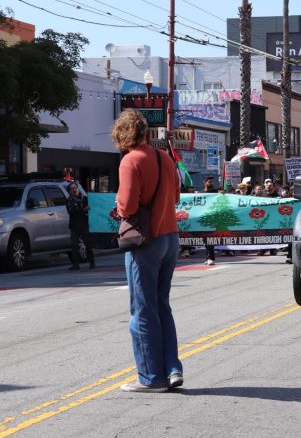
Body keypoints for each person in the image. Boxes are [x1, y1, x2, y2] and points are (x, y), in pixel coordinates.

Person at [111, 109, 182, 393]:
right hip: (170, 237)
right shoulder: (164, 157)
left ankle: (151, 378)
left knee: (142, 310)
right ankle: (172, 369)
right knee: (162, 306)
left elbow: (127, 206)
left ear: (123, 134)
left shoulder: (130, 161)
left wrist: (118, 207)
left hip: (146, 242)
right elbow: (176, 196)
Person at [65, 181, 96, 270]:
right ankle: (75, 264)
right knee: (74, 245)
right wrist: (83, 209)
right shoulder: (69, 201)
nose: (74, 190)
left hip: (84, 224)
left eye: (75, 188)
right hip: (74, 226)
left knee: (87, 244)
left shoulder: (85, 198)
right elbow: (71, 211)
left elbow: (92, 208)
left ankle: (92, 262)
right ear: (69, 191)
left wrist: (87, 209)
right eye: (72, 189)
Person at [199, 176, 219, 266]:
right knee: (205, 239)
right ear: (205, 182)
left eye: (212, 182)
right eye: (209, 182)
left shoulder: (215, 192)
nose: (211, 183)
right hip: (203, 219)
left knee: (210, 239)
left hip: (213, 219)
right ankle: (208, 257)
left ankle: (211, 258)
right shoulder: (200, 194)